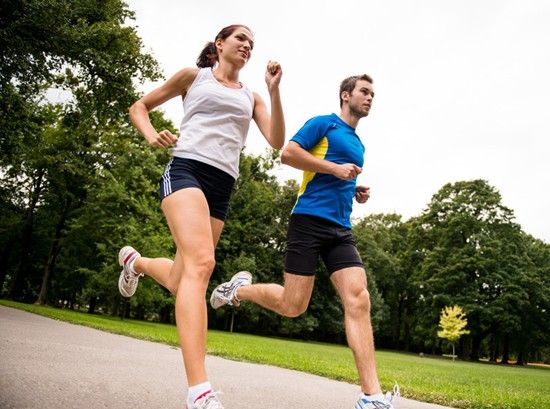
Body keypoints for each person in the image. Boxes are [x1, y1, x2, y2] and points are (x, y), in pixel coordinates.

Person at [210, 74, 400, 409]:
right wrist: (333, 170)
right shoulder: (323, 124)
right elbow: (288, 154)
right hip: (308, 222)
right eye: (365, 92)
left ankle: (371, 397)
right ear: (346, 95)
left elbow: (334, 176)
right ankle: (236, 290)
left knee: (359, 300)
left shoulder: (359, 143)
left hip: (341, 229)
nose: (371, 98)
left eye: (373, 94)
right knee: (292, 306)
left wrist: (353, 189)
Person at [120, 24, 285, 409]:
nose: (247, 45)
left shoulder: (252, 95)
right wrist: (149, 135)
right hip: (186, 170)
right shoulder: (193, 78)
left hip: (222, 186)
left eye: (252, 42)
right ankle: (199, 392)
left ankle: (136, 262)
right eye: (240, 38)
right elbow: (138, 107)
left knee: (183, 280)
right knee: (203, 263)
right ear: (220, 44)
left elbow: (277, 140)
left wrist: (274, 92)